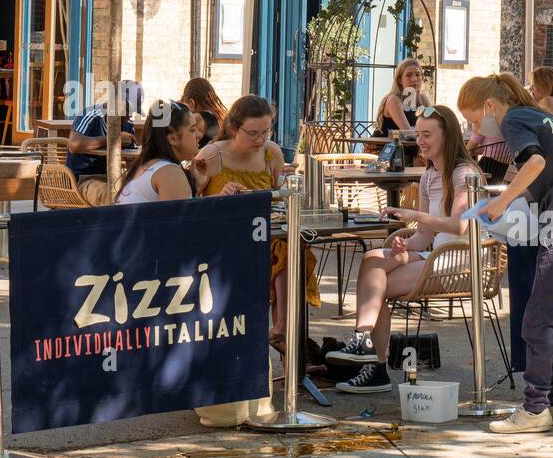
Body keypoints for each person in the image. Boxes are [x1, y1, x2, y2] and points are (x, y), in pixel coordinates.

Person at [457, 74, 553, 434]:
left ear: (490, 106)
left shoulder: (513, 120)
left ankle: (534, 408)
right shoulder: (538, 116)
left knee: (538, 320)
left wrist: (501, 201)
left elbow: (533, 165)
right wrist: (502, 201)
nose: (479, 129)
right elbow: (547, 175)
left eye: (476, 121)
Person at [327, 105, 482, 394]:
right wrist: (405, 244)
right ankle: (364, 345)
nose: (420, 141)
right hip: (434, 254)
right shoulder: (429, 175)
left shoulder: (465, 173)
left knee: (377, 286)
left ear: (448, 137)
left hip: (461, 261)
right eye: (418, 134)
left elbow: (461, 227)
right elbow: (423, 237)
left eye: (427, 135)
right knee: (373, 258)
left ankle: (373, 364)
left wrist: (415, 217)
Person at [192, 96, 320, 350]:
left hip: (264, 237)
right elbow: (190, 205)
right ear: (233, 129)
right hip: (222, 241)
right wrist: (220, 196)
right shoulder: (211, 155)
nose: (260, 140)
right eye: (252, 134)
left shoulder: (271, 153)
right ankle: (284, 336)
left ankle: (285, 335)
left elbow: (277, 197)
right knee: (285, 249)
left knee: (293, 246)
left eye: (266, 132)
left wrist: (287, 188)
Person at [66, 80, 144, 205]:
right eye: (128, 109)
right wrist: (115, 139)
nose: (130, 115)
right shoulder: (91, 115)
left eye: (133, 111)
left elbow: (131, 164)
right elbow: (74, 145)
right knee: (112, 197)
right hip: (84, 180)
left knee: (140, 192)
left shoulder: (127, 125)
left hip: (114, 178)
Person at [116, 100, 201, 204]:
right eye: (192, 130)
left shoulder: (148, 165)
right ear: (173, 139)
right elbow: (183, 219)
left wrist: (198, 186)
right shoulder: (170, 173)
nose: (199, 135)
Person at [375, 58, 430, 135]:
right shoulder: (394, 100)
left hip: (412, 145)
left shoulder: (423, 99)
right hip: (385, 146)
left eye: (418, 75)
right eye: (408, 75)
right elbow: (408, 132)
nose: (414, 79)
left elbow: (433, 124)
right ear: (400, 80)